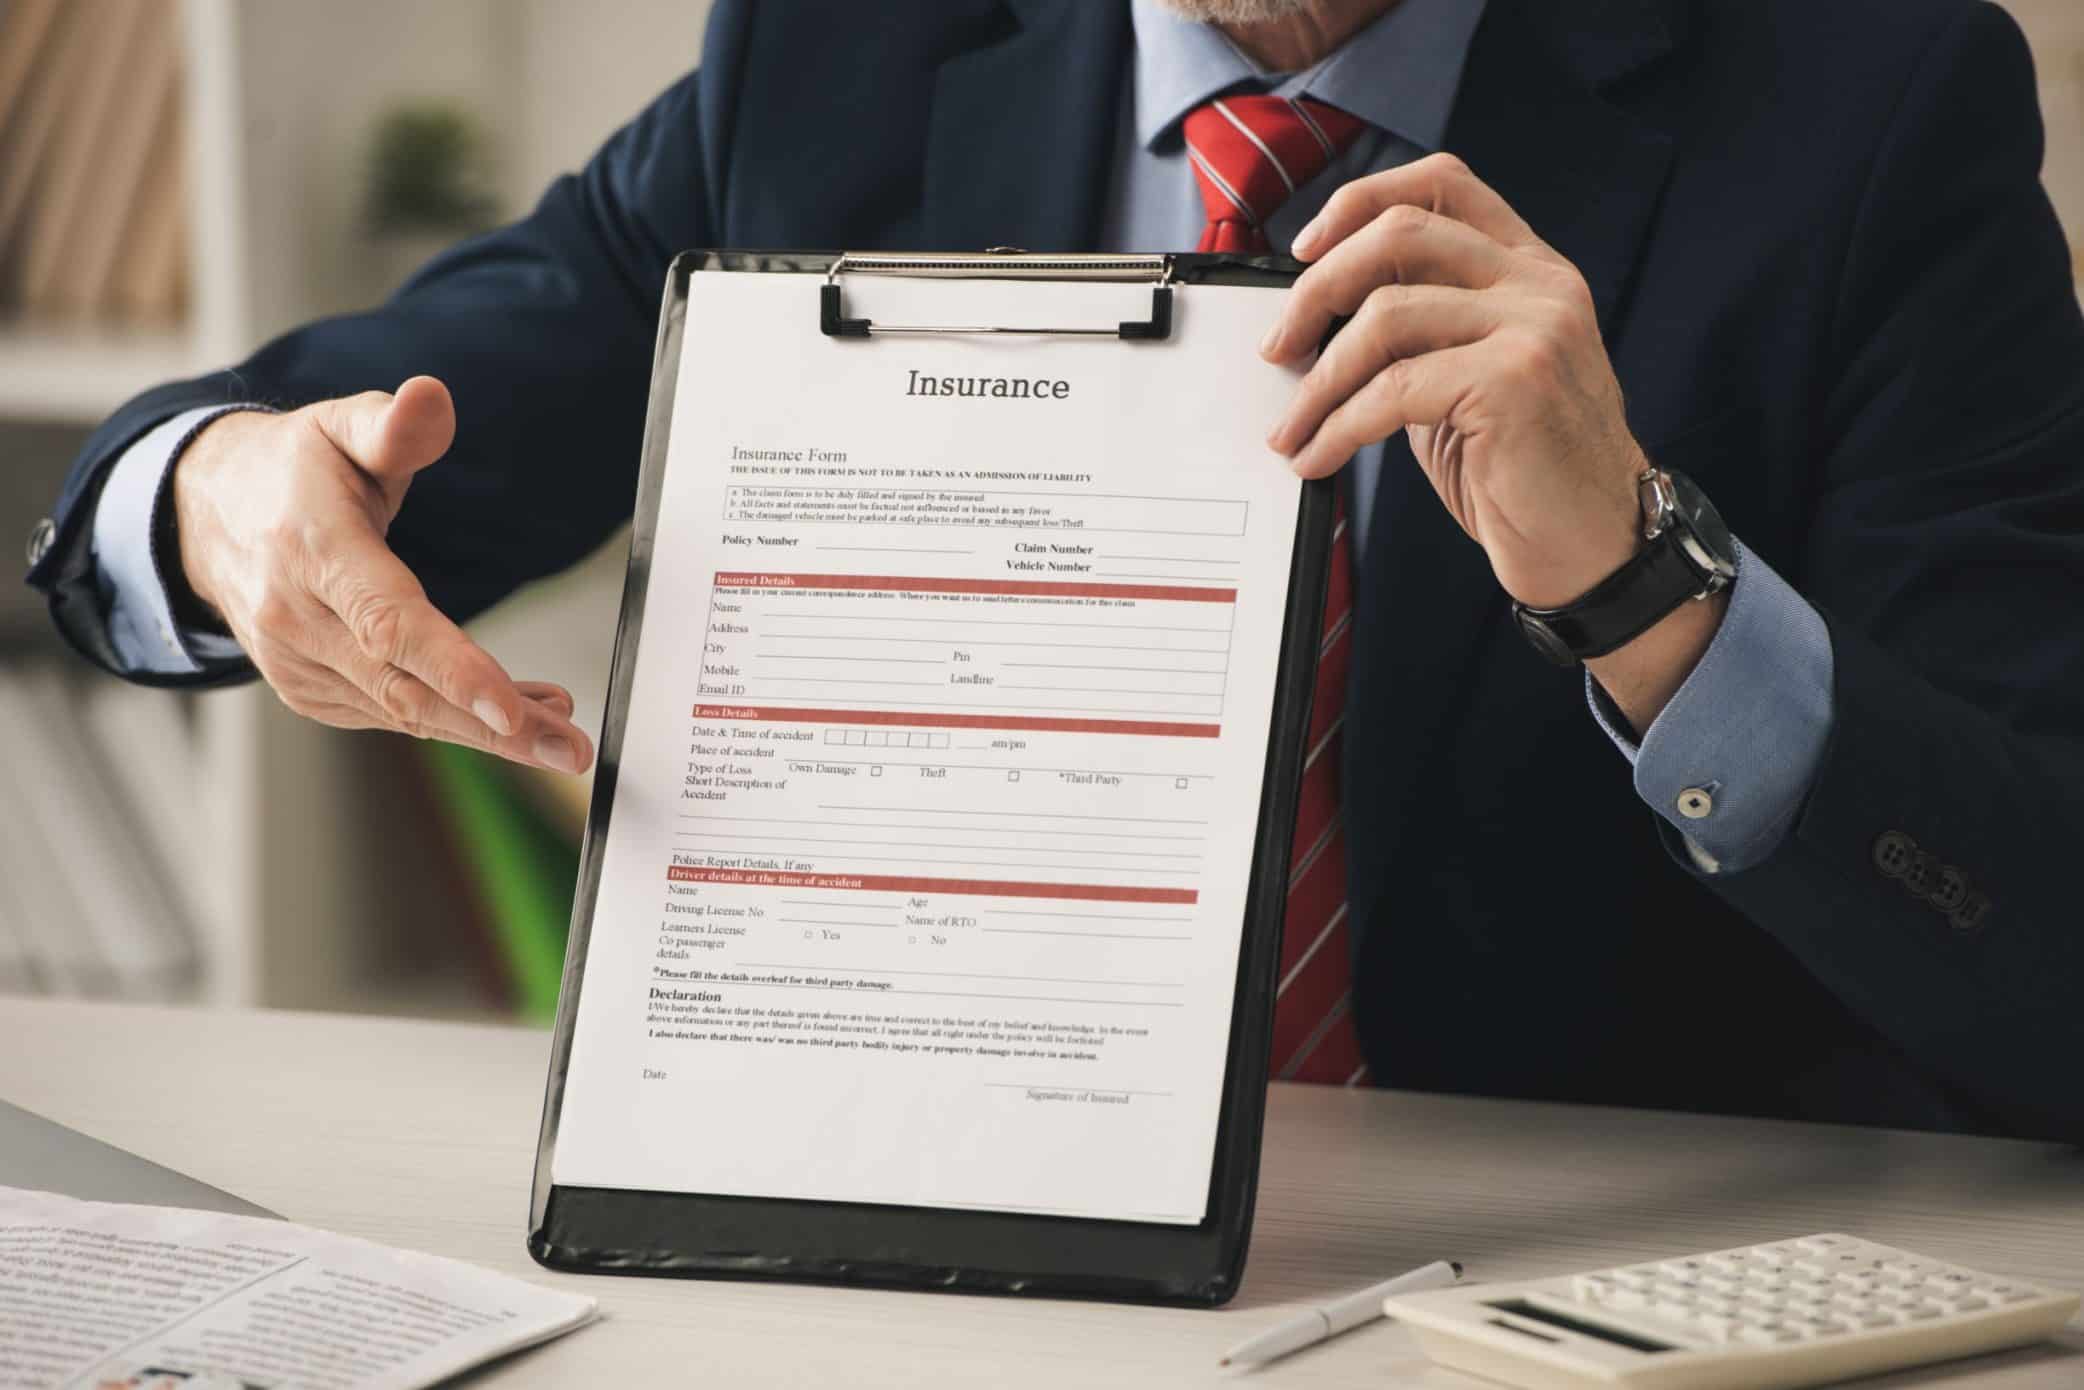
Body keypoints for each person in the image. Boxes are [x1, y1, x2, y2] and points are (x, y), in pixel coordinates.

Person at [26, 0, 2084, 1139]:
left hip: (1573, 1302)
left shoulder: (1867, 99)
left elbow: (2050, 949)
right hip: (939, 1277)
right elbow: (307, 453)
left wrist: (1646, 586)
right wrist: (219, 488)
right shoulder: (842, 58)